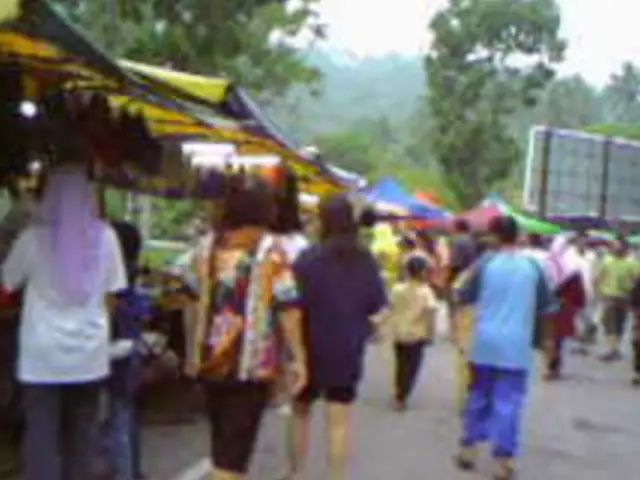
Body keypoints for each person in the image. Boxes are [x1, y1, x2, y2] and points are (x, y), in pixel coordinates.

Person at [2, 165, 128, 480]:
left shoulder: (32, 238)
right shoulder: (107, 237)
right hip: (89, 354)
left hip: (41, 356)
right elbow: (113, 296)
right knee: (82, 436)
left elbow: (5, 285)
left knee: (41, 435)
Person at [185, 172, 307, 480]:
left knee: (222, 446)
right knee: (233, 455)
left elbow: (188, 295)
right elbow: (288, 307)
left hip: (210, 361)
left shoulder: (206, 247)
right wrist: (299, 358)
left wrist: (191, 352)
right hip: (251, 366)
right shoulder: (271, 252)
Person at [287, 194, 387, 480]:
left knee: (300, 412)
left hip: (308, 348)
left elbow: (292, 304)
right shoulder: (365, 260)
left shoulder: (307, 258)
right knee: (339, 421)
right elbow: (377, 307)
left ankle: (296, 473)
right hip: (347, 348)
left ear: (323, 221)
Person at [453, 216, 554, 480]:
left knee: (478, 396)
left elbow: (463, 296)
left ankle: (469, 450)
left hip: (485, 342)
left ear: (494, 236)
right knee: (508, 403)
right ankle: (503, 461)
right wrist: (546, 343)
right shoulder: (533, 268)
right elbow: (547, 309)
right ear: (517, 236)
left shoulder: (485, 264)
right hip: (516, 347)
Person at [104, 220, 152, 480]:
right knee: (126, 415)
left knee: (117, 418)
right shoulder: (130, 274)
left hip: (114, 350)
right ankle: (131, 470)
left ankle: (124, 472)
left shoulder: (113, 276)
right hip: (129, 349)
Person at [375, 255, 437, 411]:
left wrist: (379, 324)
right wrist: (431, 333)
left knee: (401, 363)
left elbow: (388, 308)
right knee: (412, 366)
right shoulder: (426, 292)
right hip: (417, 334)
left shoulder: (397, 289)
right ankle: (402, 394)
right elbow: (430, 313)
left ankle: (398, 389)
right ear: (423, 272)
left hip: (399, 332)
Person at [542, 235, 586, 380]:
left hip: (556, 306)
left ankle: (551, 365)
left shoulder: (548, 264)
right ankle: (552, 365)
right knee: (555, 338)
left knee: (552, 337)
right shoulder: (570, 266)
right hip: (560, 306)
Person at [595, 237, 638, 361]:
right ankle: (613, 348)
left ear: (625, 248)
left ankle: (613, 349)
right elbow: (599, 278)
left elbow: (637, 279)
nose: (615, 248)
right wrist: (599, 293)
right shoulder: (607, 261)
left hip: (624, 297)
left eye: (618, 246)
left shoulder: (632, 263)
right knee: (609, 323)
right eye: (614, 246)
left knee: (619, 323)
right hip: (609, 296)